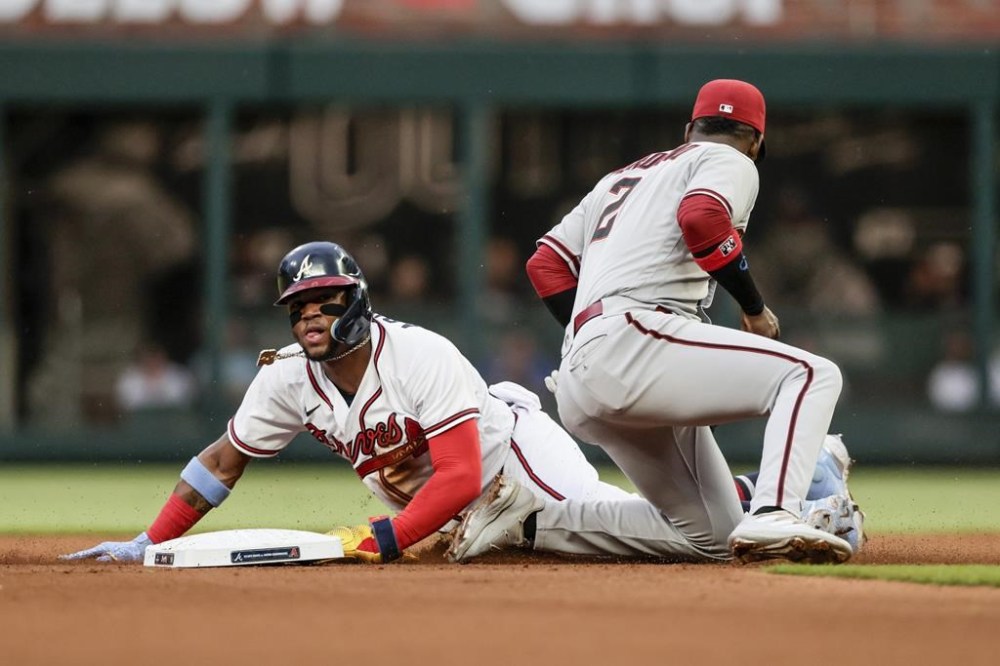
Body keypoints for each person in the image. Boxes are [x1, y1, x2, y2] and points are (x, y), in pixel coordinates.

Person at [63, 241, 855, 565]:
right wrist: (147, 540)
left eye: (324, 300)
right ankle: (778, 489)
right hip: (450, 510)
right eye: (297, 307)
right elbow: (222, 461)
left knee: (697, 543)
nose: (308, 315)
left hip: (511, 466)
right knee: (638, 529)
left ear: (357, 302)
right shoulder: (283, 380)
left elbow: (460, 470)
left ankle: (811, 481)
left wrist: (383, 538)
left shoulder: (417, 354)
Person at [448, 79, 863, 564]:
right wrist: (753, 308)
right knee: (812, 374)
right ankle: (775, 510)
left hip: (587, 372)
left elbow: (545, 264)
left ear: (690, 129)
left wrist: (587, 339)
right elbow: (702, 218)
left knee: (713, 539)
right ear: (756, 141)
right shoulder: (732, 160)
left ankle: (526, 520)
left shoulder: (618, 179)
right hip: (637, 338)